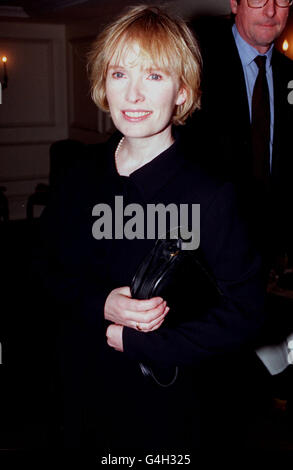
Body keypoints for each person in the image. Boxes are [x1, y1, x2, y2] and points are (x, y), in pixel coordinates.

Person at [34, 5, 265, 455]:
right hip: (75, 394)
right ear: (103, 83)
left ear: (182, 91)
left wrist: (151, 344)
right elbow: (41, 269)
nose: (134, 94)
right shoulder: (78, 175)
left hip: (158, 408)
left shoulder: (209, 195)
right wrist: (101, 303)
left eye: (155, 76)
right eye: (120, 74)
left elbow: (248, 311)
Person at [182, 0, 293, 444]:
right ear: (234, 3)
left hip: (264, 251)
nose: (271, 10)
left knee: (245, 383)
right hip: (200, 253)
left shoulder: (288, 76)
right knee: (206, 382)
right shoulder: (196, 63)